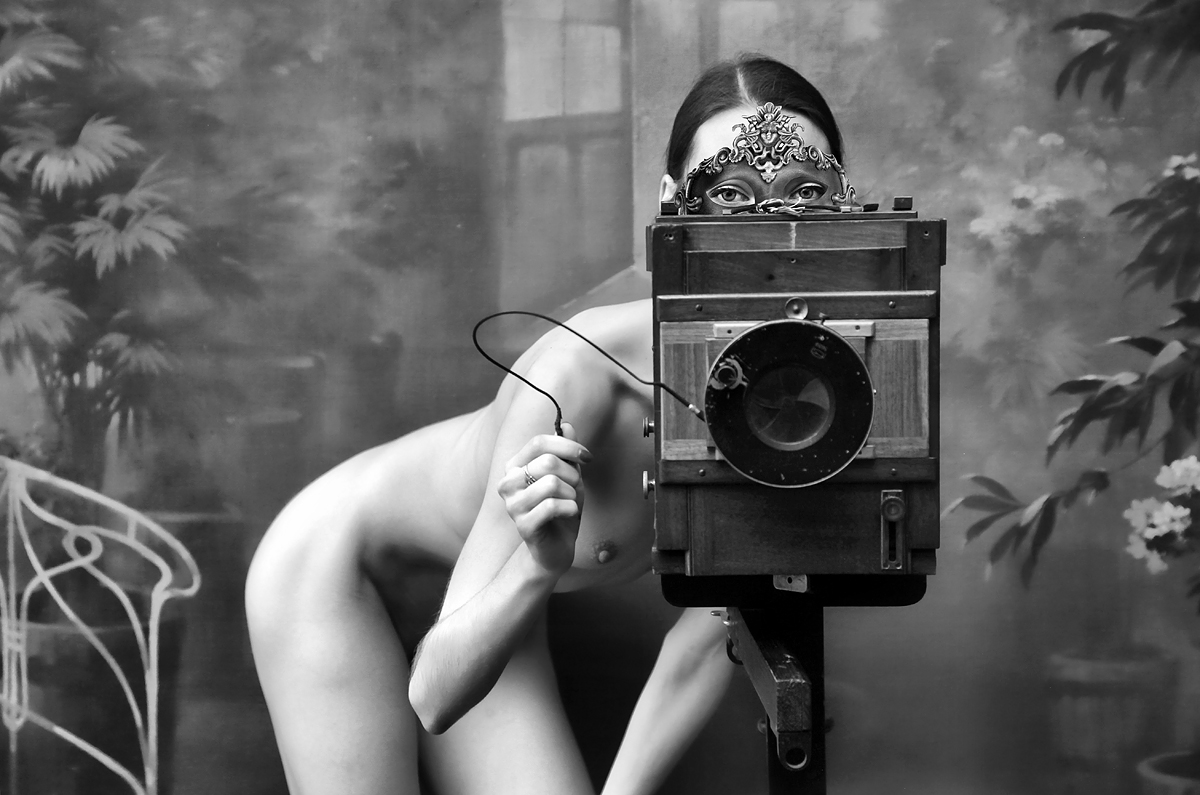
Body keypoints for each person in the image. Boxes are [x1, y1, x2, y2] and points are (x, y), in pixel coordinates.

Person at [245, 54, 854, 795]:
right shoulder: (581, 372)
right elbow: (436, 694)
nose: (769, 228)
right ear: (673, 206)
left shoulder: (824, 409)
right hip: (351, 564)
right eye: (729, 193)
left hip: (497, 611)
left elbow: (701, 646)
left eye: (805, 193)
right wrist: (536, 564)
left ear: (847, 208)